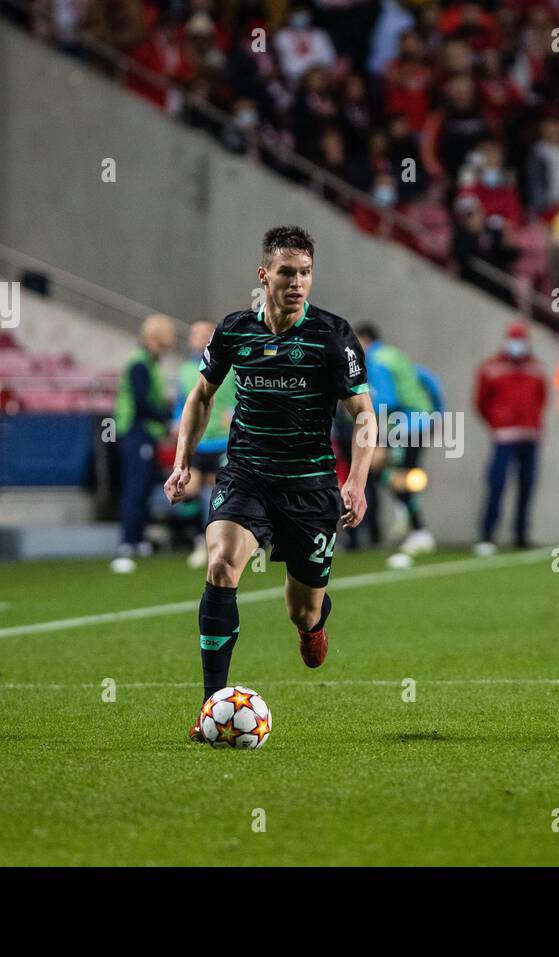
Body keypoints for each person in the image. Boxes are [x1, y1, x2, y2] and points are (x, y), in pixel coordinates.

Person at [164, 226, 375, 743]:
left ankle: (313, 626)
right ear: (264, 275)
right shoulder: (235, 330)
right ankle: (211, 704)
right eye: (286, 272)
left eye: (305, 273)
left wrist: (358, 482)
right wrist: (182, 462)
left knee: (301, 609)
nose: (297, 282)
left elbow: (364, 415)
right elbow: (201, 397)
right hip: (247, 474)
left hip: (310, 486)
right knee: (220, 564)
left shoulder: (332, 335)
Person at [357, 324, 437, 556]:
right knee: (398, 474)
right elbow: (429, 380)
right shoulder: (395, 355)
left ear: (364, 340)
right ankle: (408, 518)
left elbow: (387, 400)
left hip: (404, 425)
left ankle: (418, 530)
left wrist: (377, 432)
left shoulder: (375, 360)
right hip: (419, 422)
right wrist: (437, 413)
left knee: (390, 474)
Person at [473, 323, 547, 554]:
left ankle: (521, 534)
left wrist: (532, 422)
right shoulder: (491, 368)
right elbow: (481, 402)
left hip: (530, 436)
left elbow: (542, 399)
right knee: (496, 484)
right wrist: (497, 423)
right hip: (504, 437)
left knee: (527, 486)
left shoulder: (536, 368)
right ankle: (487, 534)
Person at [112, 313, 176, 572]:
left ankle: (138, 538)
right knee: (135, 486)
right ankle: (128, 540)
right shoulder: (139, 364)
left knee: (145, 485)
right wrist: (165, 417)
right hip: (135, 431)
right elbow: (141, 403)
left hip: (145, 432)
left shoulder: (148, 363)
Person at [172, 320, 237, 568]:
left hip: (222, 440)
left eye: (202, 334)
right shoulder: (185, 370)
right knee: (188, 490)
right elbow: (182, 402)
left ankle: (214, 543)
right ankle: (200, 538)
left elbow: (243, 393)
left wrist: (235, 411)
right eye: (194, 333)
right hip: (198, 441)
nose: (196, 338)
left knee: (215, 493)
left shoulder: (229, 366)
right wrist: (176, 421)